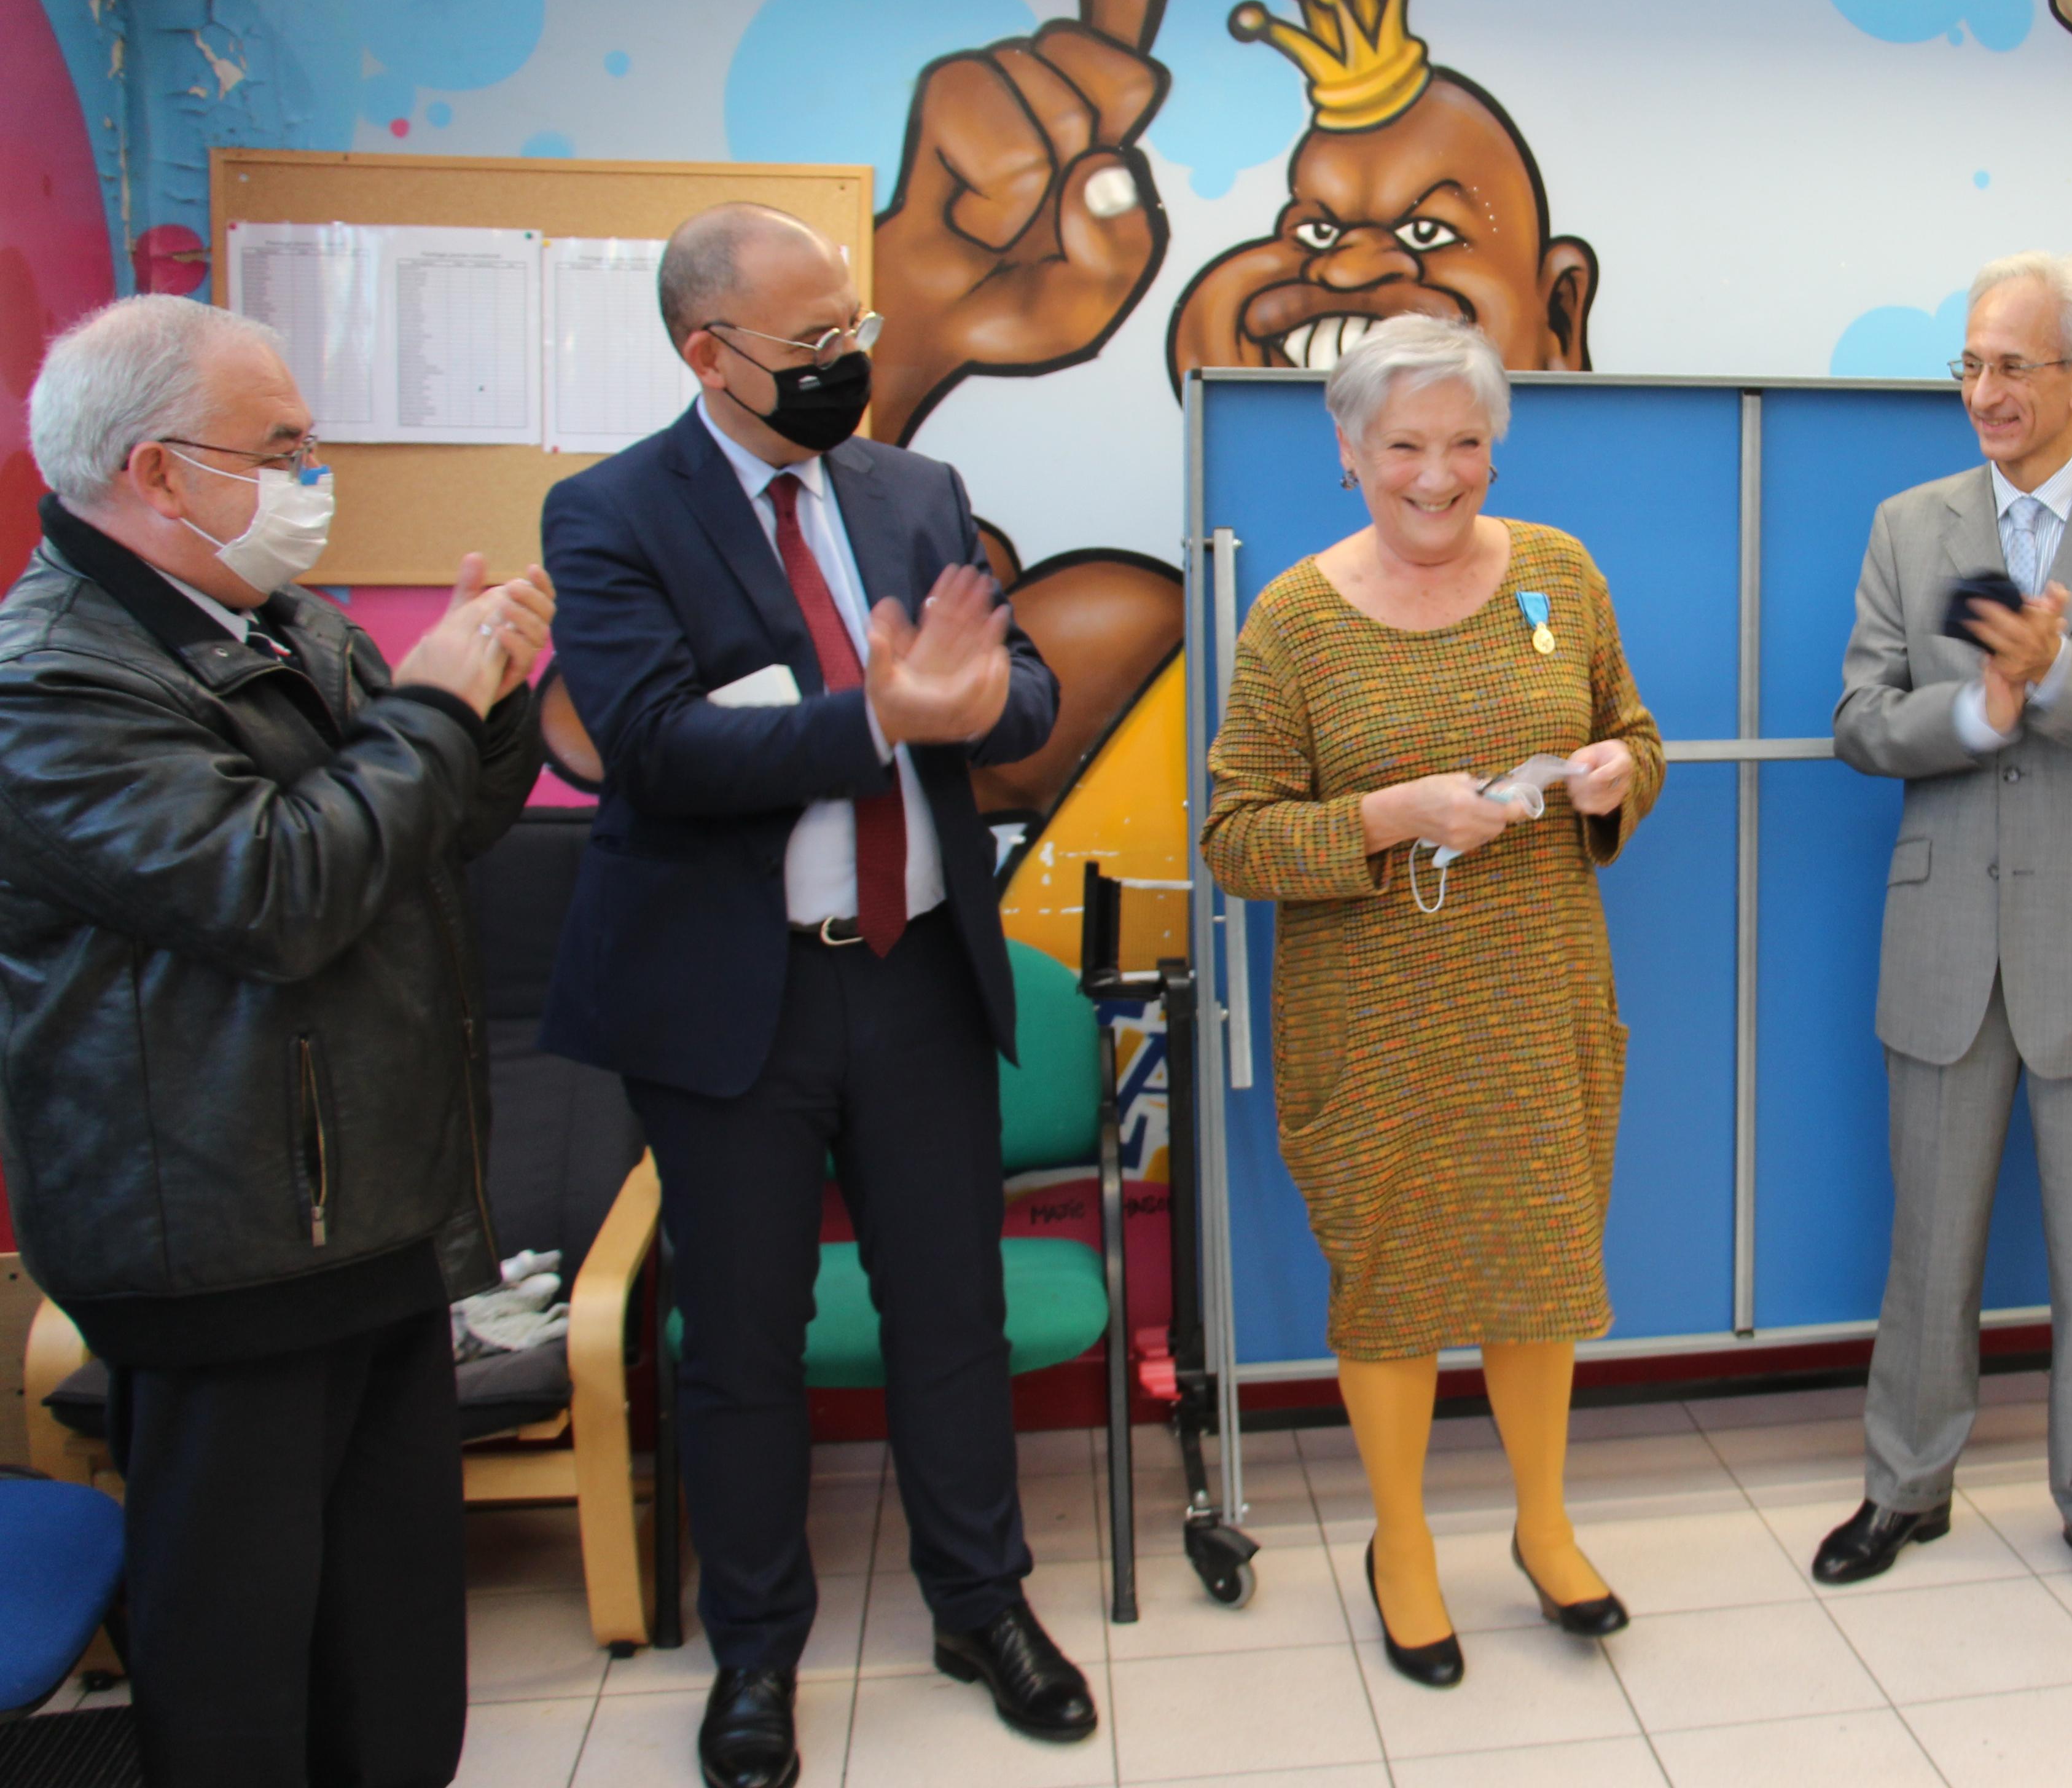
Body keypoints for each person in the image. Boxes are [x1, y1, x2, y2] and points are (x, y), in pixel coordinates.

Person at [539, 205, 1074, 1788]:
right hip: (731, 1005)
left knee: (953, 1317)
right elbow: (656, 746)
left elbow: (1022, 677)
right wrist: (876, 720)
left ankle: (983, 1608)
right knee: (745, 1342)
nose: (847, 361)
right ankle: (755, 1656)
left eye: (851, 331)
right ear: (708, 354)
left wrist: (987, 703)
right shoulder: (612, 513)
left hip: (913, 978)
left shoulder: (915, 491)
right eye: (810, 345)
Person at [0, 295, 550, 1786]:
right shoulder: (53, 676)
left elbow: (423, 833)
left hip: (370, 1211)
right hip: (220, 1238)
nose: (315, 475)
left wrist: (489, 705)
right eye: (283, 445)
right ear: (159, 473)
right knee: (246, 1661)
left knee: (390, 1646)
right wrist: (433, 699)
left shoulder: (286, 627)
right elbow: (279, 890)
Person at [1202, 313, 1662, 1688]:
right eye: (1405, 445)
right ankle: (1400, 1545)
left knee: (1540, 1272)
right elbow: (1233, 839)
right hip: (1376, 1020)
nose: (1439, 475)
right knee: (1394, 1287)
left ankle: (1542, 1528)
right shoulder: (1293, 617)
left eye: (1467, 444)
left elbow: (1636, 734)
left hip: (1536, 997)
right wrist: (1391, 816)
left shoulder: (1561, 577)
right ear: (1348, 451)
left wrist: (1615, 776)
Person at [1817, 249, 2072, 1614]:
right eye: (1972, 365)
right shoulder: (1909, 525)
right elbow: (1862, 723)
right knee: (1927, 1238)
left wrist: (2060, 677)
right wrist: (1980, 715)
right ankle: (1904, 1486)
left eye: (2013, 366)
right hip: (1944, 948)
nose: (1986, 391)